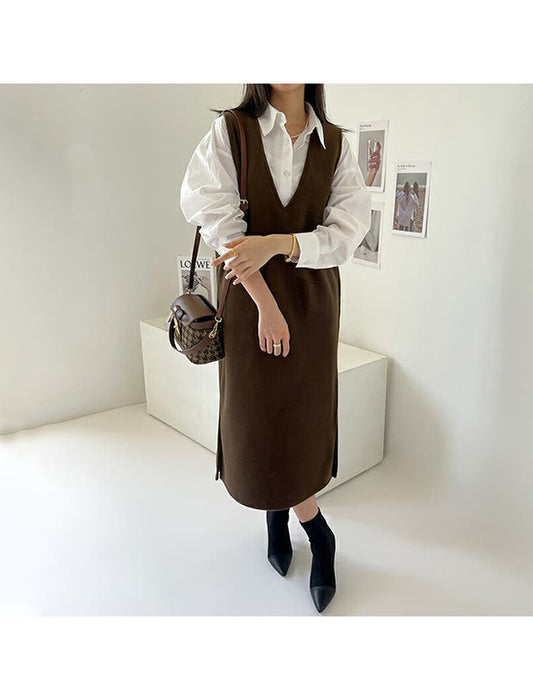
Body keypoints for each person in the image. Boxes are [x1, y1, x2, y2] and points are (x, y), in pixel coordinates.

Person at [180, 84, 371, 613]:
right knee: (257, 419)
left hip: (313, 305)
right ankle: (282, 516)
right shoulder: (231, 132)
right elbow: (222, 229)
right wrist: (266, 303)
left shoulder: (335, 144)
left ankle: (314, 531)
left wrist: (279, 244)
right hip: (250, 303)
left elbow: (347, 233)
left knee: (305, 417)